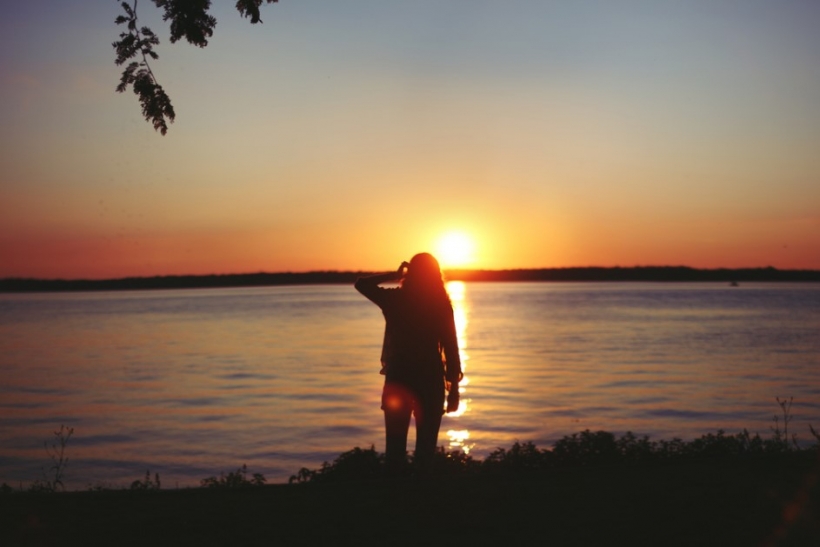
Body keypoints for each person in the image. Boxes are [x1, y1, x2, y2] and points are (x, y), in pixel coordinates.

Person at [355, 253, 463, 475]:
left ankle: (397, 497)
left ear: (410, 273)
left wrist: (395, 275)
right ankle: (418, 497)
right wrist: (454, 390)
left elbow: (362, 284)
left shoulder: (396, 300)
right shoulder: (441, 305)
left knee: (395, 450)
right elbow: (451, 348)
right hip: (429, 379)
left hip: (400, 377)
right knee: (426, 450)